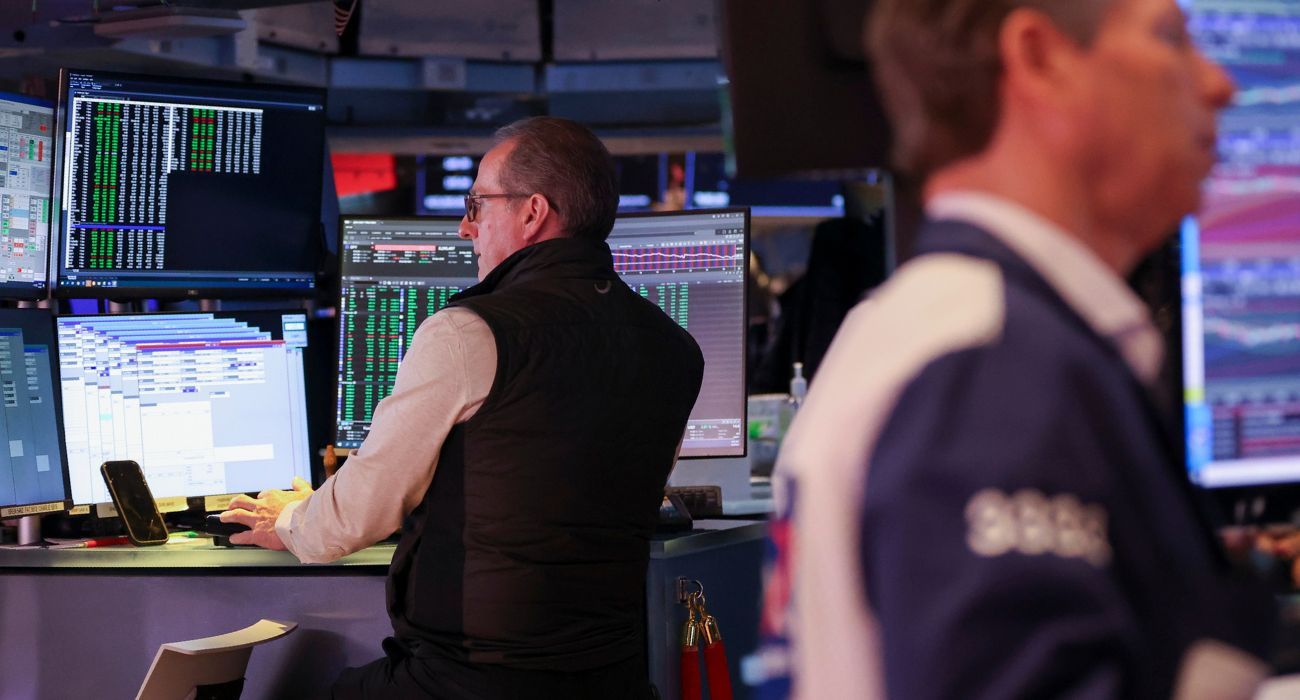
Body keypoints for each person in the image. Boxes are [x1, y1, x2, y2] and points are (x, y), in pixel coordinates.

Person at [760, 1, 1278, 698]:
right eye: (1171, 38)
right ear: (1040, 58)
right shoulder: (989, 365)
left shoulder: (961, 334)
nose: (1220, 83)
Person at [221, 116, 705, 699]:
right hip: (614, 681)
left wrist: (289, 519)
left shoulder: (468, 333)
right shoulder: (675, 349)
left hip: (469, 679)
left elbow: (348, 522)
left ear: (532, 212)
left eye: (477, 205)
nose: (465, 227)